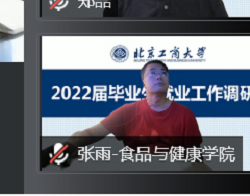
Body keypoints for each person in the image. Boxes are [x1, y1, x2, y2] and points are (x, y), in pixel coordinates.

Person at [69, 60, 202, 150]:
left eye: (163, 73)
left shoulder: (185, 114)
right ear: (143, 82)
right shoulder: (127, 111)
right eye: (152, 73)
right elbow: (92, 133)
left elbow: (194, 154)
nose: (159, 77)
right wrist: (70, 144)